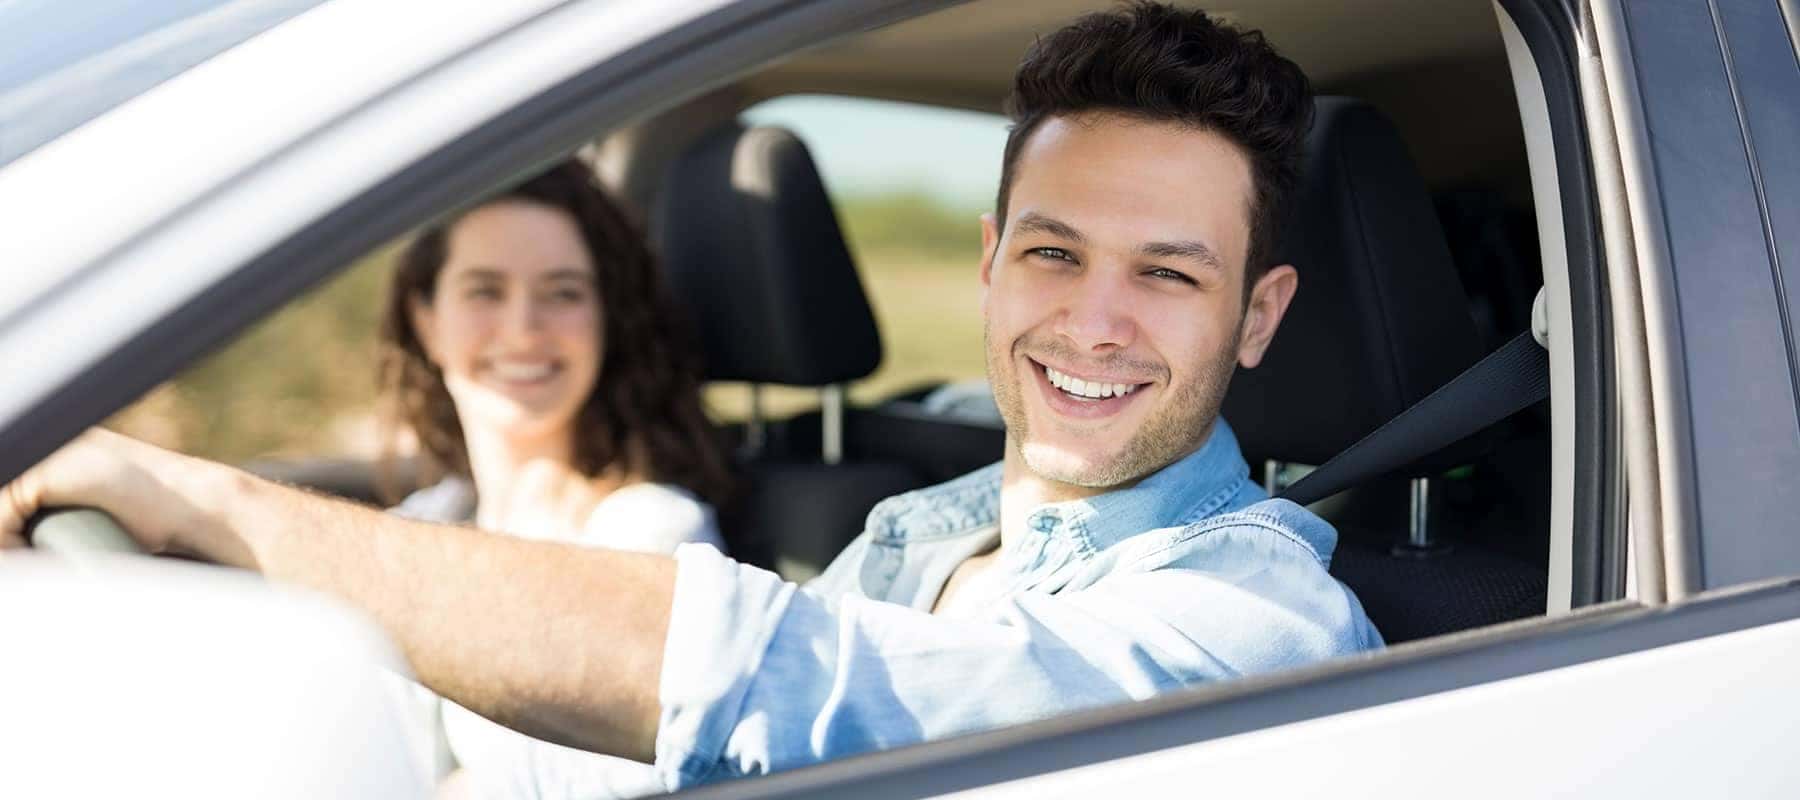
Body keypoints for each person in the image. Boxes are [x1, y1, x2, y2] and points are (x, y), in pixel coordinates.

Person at [2, 3, 1382, 795]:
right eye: (1054, 251)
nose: (1091, 320)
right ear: (989, 263)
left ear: (1257, 317)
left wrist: (221, 510)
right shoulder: (924, 530)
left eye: (1167, 275)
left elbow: (787, 685)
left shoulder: (1262, 622)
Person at [372, 159, 733, 796]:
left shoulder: (651, 535)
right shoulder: (424, 522)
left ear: (604, 319)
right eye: (485, 290)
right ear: (427, 320)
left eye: (563, 292)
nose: (524, 330)